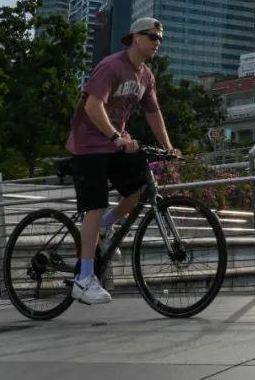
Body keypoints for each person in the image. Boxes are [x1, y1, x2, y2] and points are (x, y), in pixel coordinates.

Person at [65, 17, 179, 304]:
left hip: (117, 143)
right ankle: (83, 279)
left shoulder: (146, 77)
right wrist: (116, 137)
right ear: (136, 38)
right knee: (95, 204)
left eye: (160, 39)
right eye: (153, 37)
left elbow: (153, 113)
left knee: (142, 186)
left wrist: (168, 147)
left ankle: (105, 224)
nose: (157, 43)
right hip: (89, 144)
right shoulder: (111, 66)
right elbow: (93, 105)